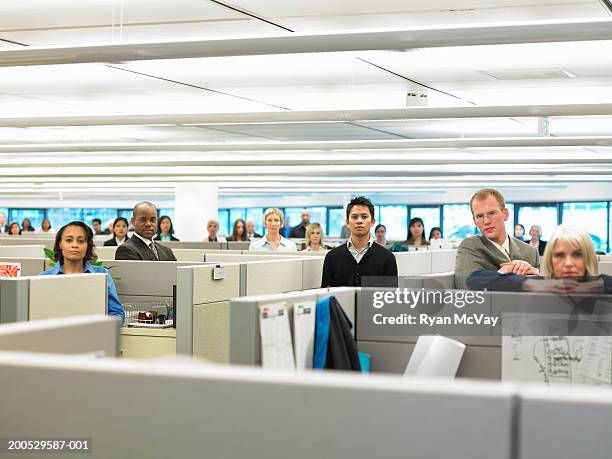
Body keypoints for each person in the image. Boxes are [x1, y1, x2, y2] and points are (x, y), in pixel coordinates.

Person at [467, 225, 612, 293]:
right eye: (560, 255)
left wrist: (597, 286)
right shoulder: (544, 284)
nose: (568, 263)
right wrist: (532, 284)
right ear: (550, 260)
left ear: (588, 258)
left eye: (577, 255)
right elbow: (473, 279)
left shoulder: (600, 283)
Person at [39, 221, 125, 324]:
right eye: (69, 240)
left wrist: (101, 327)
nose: (75, 245)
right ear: (60, 244)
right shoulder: (44, 278)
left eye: (80, 241)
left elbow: (117, 314)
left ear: (88, 245)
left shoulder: (102, 274)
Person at [454, 188, 540, 290]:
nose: (486, 221)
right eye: (480, 216)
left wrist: (537, 278)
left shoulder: (530, 252)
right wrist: (504, 272)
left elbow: (538, 291)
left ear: (505, 214)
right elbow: (465, 284)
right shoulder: (470, 246)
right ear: (474, 221)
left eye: (492, 213)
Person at [321, 196, 398, 287]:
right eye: (354, 217)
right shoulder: (332, 257)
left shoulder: (387, 258)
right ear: (347, 223)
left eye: (364, 217)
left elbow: (389, 297)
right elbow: (327, 295)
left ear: (372, 222)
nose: (359, 221)